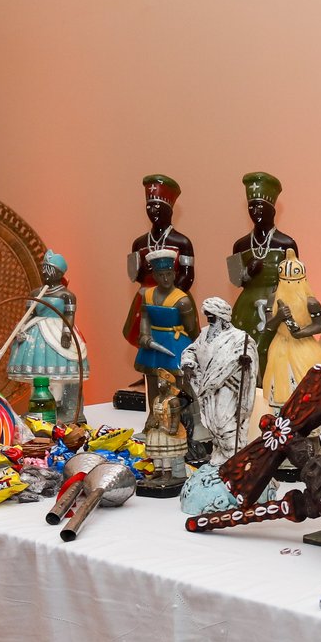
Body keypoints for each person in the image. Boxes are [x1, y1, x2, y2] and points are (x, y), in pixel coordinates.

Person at [228, 172, 298, 380]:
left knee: (273, 349)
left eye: (259, 206)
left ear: (272, 208)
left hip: (277, 304)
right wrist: (248, 272)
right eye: (251, 207)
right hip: (246, 307)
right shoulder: (240, 245)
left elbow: (295, 282)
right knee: (244, 349)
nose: (255, 211)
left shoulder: (287, 243)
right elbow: (235, 280)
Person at [7, 250, 88, 425]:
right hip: (37, 335)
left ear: (59, 273)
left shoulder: (67, 295)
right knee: (39, 376)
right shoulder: (36, 293)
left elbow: (69, 316)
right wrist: (21, 328)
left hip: (58, 332)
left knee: (62, 376)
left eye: (49, 270)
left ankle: (67, 409)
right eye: (44, 269)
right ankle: (40, 408)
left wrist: (66, 333)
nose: (45, 274)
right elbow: (29, 314)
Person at [179, 296, 256, 462]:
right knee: (212, 424)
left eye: (212, 317)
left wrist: (245, 361)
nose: (209, 321)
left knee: (224, 423)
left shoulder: (238, 337)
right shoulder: (205, 333)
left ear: (221, 318)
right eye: (207, 316)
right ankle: (220, 455)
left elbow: (248, 352)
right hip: (206, 388)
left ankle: (235, 458)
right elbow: (191, 350)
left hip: (227, 386)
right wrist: (188, 364)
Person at [123, 175, 195, 350]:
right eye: (149, 206)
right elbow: (134, 275)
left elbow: (187, 276)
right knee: (145, 340)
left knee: (175, 342)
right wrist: (144, 271)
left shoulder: (182, 242)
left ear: (169, 210)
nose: (152, 211)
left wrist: (170, 297)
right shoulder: (139, 243)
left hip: (175, 300)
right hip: (146, 299)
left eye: (157, 206)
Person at [132, 249, 197, 424]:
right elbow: (145, 316)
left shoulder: (182, 300)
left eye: (169, 274)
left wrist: (195, 348)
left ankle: (179, 416)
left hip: (175, 343)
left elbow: (191, 328)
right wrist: (144, 334)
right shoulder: (148, 295)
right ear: (154, 275)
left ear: (174, 274)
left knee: (176, 380)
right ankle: (154, 415)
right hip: (153, 342)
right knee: (153, 379)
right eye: (161, 275)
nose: (166, 279)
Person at [261, 253, 321, 407]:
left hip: (304, 348)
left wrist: (301, 333)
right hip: (280, 347)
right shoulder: (273, 298)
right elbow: (269, 326)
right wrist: (279, 316)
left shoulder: (311, 302)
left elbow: (320, 325)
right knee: (279, 385)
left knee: (307, 388)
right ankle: (281, 415)